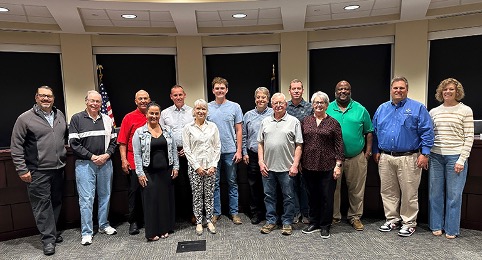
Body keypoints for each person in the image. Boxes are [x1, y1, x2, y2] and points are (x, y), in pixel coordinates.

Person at [372, 76, 434, 237]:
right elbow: (375, 131)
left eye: (401, 88)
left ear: (407, 89)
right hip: (386, 157)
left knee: (409, 192)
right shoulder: (382, 108)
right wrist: (376, 151)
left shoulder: (418, 108)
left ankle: (409, 222)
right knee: (388, 191)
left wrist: (425, 153)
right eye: (395, 88)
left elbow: (427, 131)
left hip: (409, 157)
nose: (398, 90)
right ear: (391, 90)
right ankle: (392, 219)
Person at [10, 86, 67, 256]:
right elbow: (16, 146)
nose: (46, 99)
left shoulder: (60, 115)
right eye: (42, 96)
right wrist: (22, 170)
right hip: (38, 170)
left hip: (59, 168)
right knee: (42, 206)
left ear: (53, 98)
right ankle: (48, 240)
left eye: (49, 96)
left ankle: (53, 232)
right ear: (36, 97)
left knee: (56, 202)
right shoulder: (25, 118)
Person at [69, 90, 117, 245]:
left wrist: (107, 155)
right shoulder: (77, 118)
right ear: (86, 101)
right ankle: (87, 232)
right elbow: (74, 144)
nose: (95, 104)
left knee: (105, 195)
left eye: (98, 101)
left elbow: (114, 141)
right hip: (85, 164)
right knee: (86, 199)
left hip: (105, 163)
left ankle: (103, 225)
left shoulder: (107, 119)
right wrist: (91, 156)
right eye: (92, 101)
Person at [429, 78, 474, 239]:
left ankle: (452, 229)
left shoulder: (465, 110)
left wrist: (462, 159)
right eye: (445, 89)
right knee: (435, 194)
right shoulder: (433, 112)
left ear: (457, 92)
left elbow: (469, 137)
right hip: (435, 156)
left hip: (455, 157)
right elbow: (429, 135)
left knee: (454, 195)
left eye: (451, 89)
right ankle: (435, 225)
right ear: (441, 92)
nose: (447, 92)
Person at [327, 80, 373, 231]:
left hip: (356, 157)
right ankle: (334, 216)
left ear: (350, 91)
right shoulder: (328, 108)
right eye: (340, 89)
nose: (343, 91)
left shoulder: (360, 109)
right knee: (333, 190)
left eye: (346, 89)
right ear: (335, 91)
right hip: (333, 159)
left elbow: (369, 131)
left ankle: (355, 217)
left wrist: (367, 152)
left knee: (356, 190)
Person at [258, 93, 303, 236]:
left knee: (289, 197)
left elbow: (299, 145)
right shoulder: (265, 121)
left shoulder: (294, 121)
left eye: (281, 103)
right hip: (268, 167)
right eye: (275, 103)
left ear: (286, 105)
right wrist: (260, 162)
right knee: (269, 196)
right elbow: (260, 143)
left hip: (287, 168)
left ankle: (287, 222)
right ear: (271, 105)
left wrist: (295, 164)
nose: (278, 105)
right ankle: (271, 221)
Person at [133, 102, 179, 241]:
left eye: (156, 113)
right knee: (151, 202)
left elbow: (173, 150)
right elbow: (137, 154)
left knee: (165, 201)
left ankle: (165, 228)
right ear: (146, 114)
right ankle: (152, 232)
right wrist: (140, 173)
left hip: (166, 171)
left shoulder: (168, 130)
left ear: (160, 115)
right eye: (151, 113)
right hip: (149, 172)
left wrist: (176, 167)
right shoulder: (140, 132)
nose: (154, 116)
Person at [301, 91, 344, 239]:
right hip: (308, 165)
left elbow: (339, 146)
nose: (319, 105)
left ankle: (325, 225)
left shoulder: (333, 123)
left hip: (327, 166)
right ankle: (314, 222)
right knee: (312, 196)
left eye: (322, 102)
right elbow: (300, 143)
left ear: (326, 105)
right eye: (316, 102)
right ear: (312, 105)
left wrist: (338, 165)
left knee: (327, 197)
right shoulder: (305, 121)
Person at [207, 77, 243, 225]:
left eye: (222, 88)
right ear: (213, 90)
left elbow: (239, 130)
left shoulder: (235, 107)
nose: (220, 90)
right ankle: (216, 212)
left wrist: (239, 150)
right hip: (212, 152)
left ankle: (234, 212)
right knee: (214, 183)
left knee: (232, 182)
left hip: (230, 151)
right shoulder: (207, 107)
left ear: (226, 90)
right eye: (217, 88)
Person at [183, 99, 221, 235]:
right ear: (194, 111)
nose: (200, 111)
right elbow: (187, 149)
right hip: (195, 169)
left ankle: (209, 220)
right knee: (197, 196)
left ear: (207, 111)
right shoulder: (188, 128)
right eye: (198, 108)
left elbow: (217, 147)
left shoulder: (213, 127)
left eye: (203, 109)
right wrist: (197, 166)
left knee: (210, 195)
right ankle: (199, 221)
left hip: (210, 168)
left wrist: (213, 165)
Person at [160, 85, 195, 224]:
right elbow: (161, 133)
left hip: (190, 153)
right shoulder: (164, 113)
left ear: (185, 95)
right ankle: (175, 215)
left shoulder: (192, 112)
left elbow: (196, 132)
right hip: (170, 153)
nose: (178, 97)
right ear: (171, 97)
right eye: (175, 95)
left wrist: (187, 149)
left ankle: (193, 213)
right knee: (173, 185)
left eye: (180, 94)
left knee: (190, 184)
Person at [117, 90, 150, 235]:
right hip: (133, 161)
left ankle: (149, 219)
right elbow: (122, 141)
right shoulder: (129, 118)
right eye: (140, 99)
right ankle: (134, 221)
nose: (143, 101)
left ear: (149, 100)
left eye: (145, 98)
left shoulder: (154, 115)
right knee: (134, 192)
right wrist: (124, 160)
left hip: (151, 162)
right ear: (136, 101)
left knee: (149, 192)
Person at [242, 87, 273, 225]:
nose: (261, 100)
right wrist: (244, 152)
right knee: (254, 185)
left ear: (268, 99)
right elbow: (243, 135)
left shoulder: (274, 113)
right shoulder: (248, 115)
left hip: (271, 155)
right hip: (253, 155)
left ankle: (270, 213)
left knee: (270, 185)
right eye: (258, 97)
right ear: (255, 99)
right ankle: (256, 213)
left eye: (264, 97)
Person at [286, 79, 312, 224]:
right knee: (291, 185)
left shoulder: (310, 107)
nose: (296, 91)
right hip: (288, 152)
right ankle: (295, 213)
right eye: (293, 88)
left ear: (303, 90)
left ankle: (306, 213)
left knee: (305, 186)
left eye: (299, 88)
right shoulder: (285, 106)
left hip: (306, 152)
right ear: (289, 91)